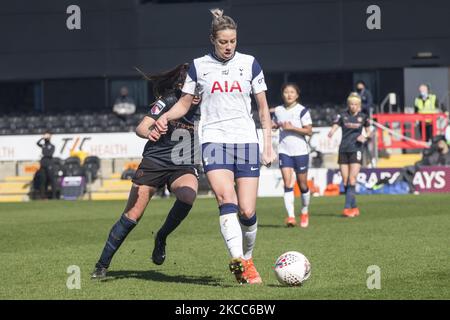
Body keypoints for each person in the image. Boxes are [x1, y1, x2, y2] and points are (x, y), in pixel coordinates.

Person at [152, 8, 276, 284]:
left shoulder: (251, 63)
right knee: (225, 199)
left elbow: (263, 108)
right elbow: (184, 103)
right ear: (213, 40)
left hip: (245, 140)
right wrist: (162, 117)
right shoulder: (198, 66)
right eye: (223, 42)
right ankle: (238, 264)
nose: (228, 46)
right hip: (214, 140)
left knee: (247, 210)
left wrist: (268, 145)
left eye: (232, 41)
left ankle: (248, 257)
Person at [91, 63, 202, 279]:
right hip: (155, 161)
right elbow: (141, 127)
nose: (196, 93)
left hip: (183, 164)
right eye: (192, 87)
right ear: (182, 85)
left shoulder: (208, 105)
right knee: (133, 215)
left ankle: (161, 237)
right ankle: (102, 265)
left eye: (200, 88)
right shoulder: (169, 100)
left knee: (188, 196)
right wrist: (150, 132)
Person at [271, 83, 313, 228]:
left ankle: (305, 210)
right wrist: (274, 125)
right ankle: (290, 217)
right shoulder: (278, 110)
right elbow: (275, 123)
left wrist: (293, 128)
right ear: (282, 94)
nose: (289, 95)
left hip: (300, 151)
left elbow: (309, 131)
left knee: (302, 185)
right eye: (286, 92)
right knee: (288, 183)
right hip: (284, 150)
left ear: (297, 95)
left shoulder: (302, 110)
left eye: (292, 92)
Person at [328, 93, 371, 218]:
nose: (353, 106)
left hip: (356, 149)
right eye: (351, 104)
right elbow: (336, 125)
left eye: (356, 104)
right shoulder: (342, 115)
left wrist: (365, 136)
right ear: (348, 105)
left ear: (359, 106)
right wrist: (332, 131)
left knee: (352, 179)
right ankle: (355, 207)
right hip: (343, 149)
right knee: (346, 181)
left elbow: (369, 132)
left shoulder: (363, 117)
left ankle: (347, 208)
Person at [36, 132, 56, 199]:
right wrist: (42, 138)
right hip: (43, 164)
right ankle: (43, 196)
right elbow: (37, 143)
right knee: (43, 181)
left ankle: (54, 196)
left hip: (49, 164)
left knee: (52, 180)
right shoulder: (43, 145)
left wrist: (43, 155)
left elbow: (50, 154)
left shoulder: (52, 146)